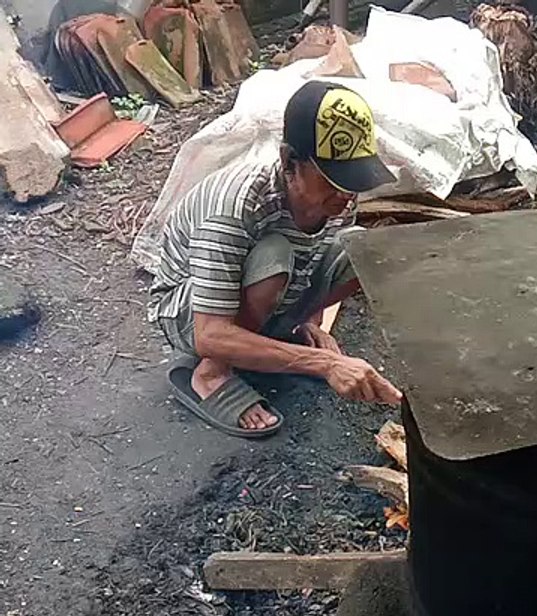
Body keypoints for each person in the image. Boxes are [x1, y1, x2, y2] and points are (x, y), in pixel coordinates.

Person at [147, 80, 402, 438]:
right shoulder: (236, 206)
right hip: (191, 312)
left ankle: (277, 336)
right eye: (331, 180)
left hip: (266, 289)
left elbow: (316, 254)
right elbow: (210, 333)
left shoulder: (339, 199)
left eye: (352, 179)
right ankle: (212, 373)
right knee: (274, 254)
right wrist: (324, 363)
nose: (345, 195)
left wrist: (311, 322)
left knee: (360, 249)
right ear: (288, 161)